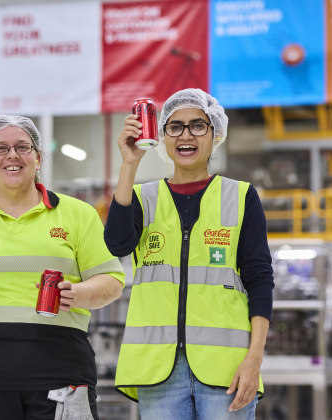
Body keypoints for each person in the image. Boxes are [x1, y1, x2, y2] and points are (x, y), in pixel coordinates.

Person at [0, 115, 125, 419]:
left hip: (60, 367)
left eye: (22, 147)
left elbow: (111, 281)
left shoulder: (78, 215)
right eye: (0, 149)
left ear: (38, 158)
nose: (12, 155)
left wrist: (78, 293)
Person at [104, 88, 274, 420]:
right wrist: (129, 164)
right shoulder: (142, 197)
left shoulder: (240, 197)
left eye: (198, 125)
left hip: (226, 372)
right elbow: (117, 243)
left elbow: (260, 280)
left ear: (216, 135)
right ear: (163, 137)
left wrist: (254, 360)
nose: (186, 135)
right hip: (159, 371)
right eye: (175, 126)